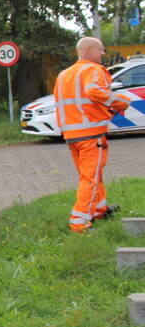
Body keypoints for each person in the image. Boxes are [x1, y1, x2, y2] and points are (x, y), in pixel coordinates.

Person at [53, 36, 129, 233]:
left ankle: (99, 210)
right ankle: (79, 222)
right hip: (90, 134)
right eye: (101, 49)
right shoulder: (93, 70)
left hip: (72, 135)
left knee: (92, 175)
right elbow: (94, 91)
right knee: (90, 178)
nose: (103, 54)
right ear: (89, 50)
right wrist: (120, 103)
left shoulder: (64, 75)